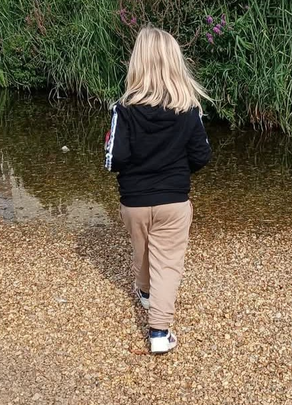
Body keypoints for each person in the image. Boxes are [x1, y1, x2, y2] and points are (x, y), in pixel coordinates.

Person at [104, 26, 212, 354]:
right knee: (168, 263)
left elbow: (113, 159)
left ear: (137, 64)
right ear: (175, 64)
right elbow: (202, 156)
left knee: (142, 251)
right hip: (173, 200)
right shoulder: (188, 109)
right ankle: (160, 333)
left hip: (134, 201)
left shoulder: (122, 110)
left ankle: (146, 293)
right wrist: (175, 172)